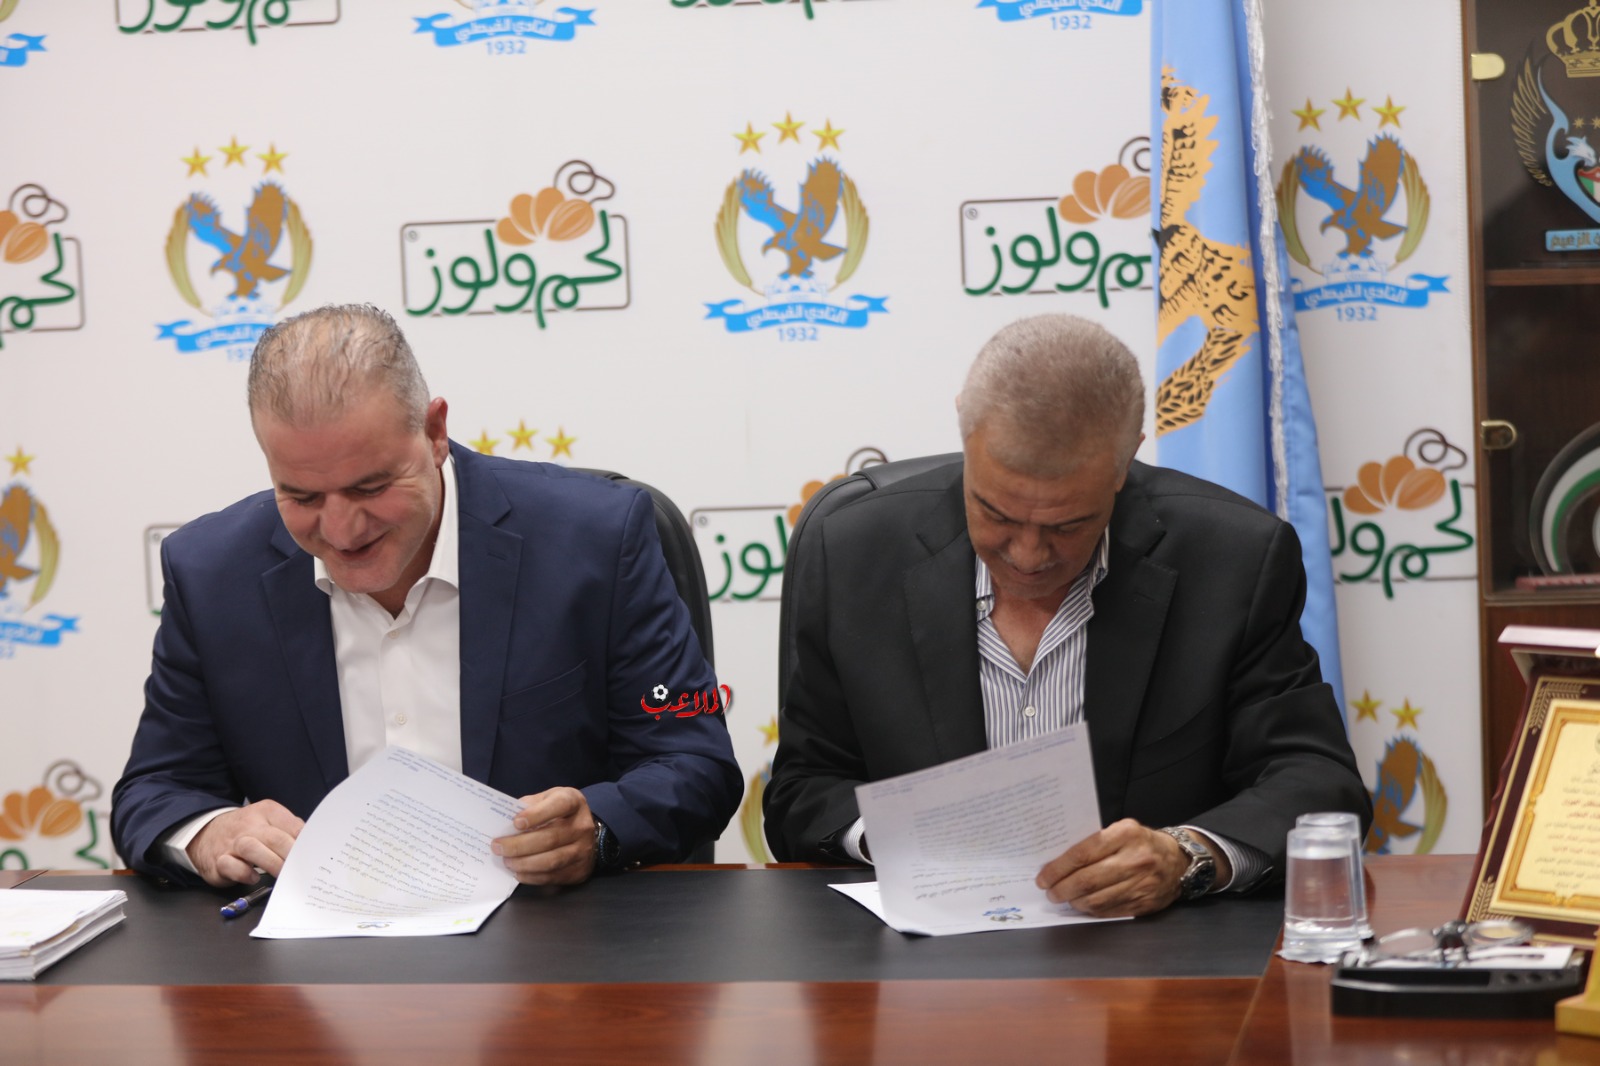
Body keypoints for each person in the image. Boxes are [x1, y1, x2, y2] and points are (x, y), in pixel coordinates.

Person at [113, 304, 741, 888]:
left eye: (370, 487)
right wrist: (209, 833)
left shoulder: (594, 539)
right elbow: (155, 791)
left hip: (555, 943)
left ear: (435, 431)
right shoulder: (211, 574)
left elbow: (694, 764)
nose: (341, 531)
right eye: (302, 497)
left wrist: (596, 828)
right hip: (320, 952)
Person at [763, 313, 1369, 917]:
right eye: (996, 514)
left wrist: (1186, 856)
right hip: (919, 957)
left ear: (1126, 460)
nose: (1028, 556)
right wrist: (903, 840)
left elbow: (1316, 781)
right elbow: (803, 788)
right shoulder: (852, 551)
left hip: (1155, 955)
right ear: (965, 432)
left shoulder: (1234, 559)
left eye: (1068, 525)